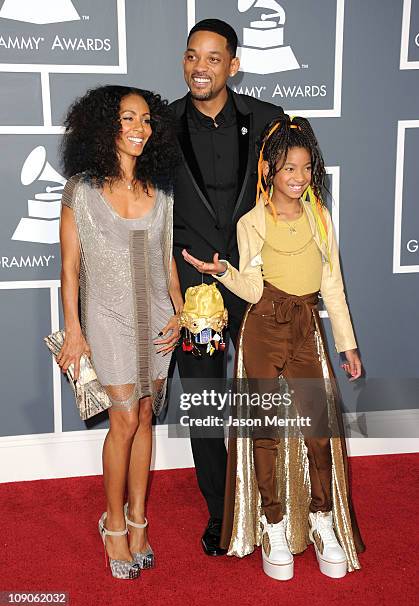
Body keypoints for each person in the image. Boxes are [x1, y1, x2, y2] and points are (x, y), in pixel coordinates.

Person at [182, 114, 365, 579]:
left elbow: (332, 284)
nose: (299, 178)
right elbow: (252, 286)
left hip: (306, 328)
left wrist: (346, 344)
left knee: (317, 431)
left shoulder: (320, 217)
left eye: (306, 168)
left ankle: (323, 521)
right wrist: (223, 274)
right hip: (262, 328)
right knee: (263, 430)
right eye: (289, 169)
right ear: (269, 171)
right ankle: (274, 524)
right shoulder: (251, 222)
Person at [170, 18, 284, 556]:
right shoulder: (163, 125)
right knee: (206, 402)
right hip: (197, 296)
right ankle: (222, 513)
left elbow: (292, 202)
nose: (200, 67)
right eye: (193, 56)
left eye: (213, 58)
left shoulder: (267, 121)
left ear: (233, 66)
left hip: (255, 284)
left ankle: (275, 507)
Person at [58, 85, 183, 579]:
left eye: (146, 119)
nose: (139, 127)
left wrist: (180, 310)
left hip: (156, 319)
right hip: (106, 319)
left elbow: (167, 261)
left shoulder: (162, 190)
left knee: (147, 417)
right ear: (104, 127)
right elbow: (69, 268)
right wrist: (74, 330)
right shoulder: (81, 190)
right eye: (127, 118)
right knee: (125, 421)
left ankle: (138, 521)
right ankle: (112, 524)